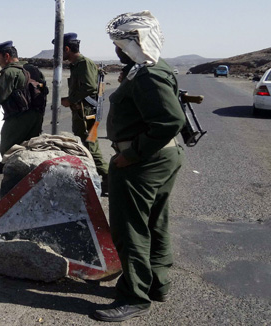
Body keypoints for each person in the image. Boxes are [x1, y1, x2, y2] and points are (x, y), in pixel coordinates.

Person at [92, 11, 186, 322]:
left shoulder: (148, 74)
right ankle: (157, 283)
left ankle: (134, 296)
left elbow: (171, 119)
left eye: (120, 44)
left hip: (144, 163)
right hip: (159, 158)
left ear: (135, 43)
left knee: (130, 229)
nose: (117, 50)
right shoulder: (145, 69)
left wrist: (130, 155)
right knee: (154, 222)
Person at [57, 32, 109, 190]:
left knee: (91, 149)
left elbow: (89, 87)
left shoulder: (84, 63)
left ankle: (111, 180)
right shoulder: (77, 65)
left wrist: (70, 100)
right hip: (82, 113)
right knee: (85, 148)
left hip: (88, 114)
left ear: (67, 48)